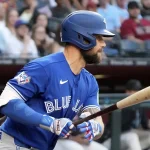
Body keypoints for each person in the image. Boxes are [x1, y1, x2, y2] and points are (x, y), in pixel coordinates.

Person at [0, 10, 115, 150]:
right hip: (11, 144)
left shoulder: (89, 82)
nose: (103, 44)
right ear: (83, 38)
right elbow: (6, 102)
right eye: (99, 38)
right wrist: (50, 122)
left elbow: (97, 119)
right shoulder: (44, 67)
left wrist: (95, 128)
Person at [102, 79, 150, 150]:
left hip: (132, 136)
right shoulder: (121, 104)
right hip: (114, 138)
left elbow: (144, 124)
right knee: (132, 137)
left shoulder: (140, 105)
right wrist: (132, 110)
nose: (138, 94)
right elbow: (121, 127)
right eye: (134, 91)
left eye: (139, 91)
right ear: (127, 92)